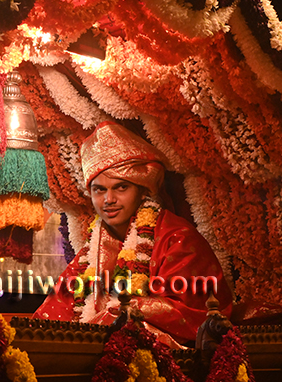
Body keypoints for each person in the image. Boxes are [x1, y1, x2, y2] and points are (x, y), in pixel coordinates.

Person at [33, 121, 233, 347]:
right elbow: (54, 312)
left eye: (121, 187)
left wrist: (122, 310)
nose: (109, 199)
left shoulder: (178, 239)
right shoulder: (90, 253)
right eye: (99, 190)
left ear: (142, 189)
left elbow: (192, 314)